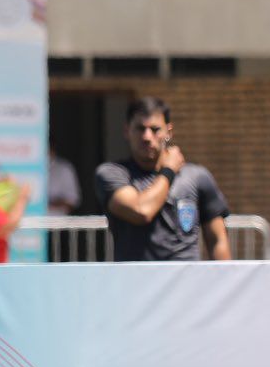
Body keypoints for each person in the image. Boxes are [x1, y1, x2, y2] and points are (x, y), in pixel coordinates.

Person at [96, 97, 232, 263]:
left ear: (169, 131)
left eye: (155, 129)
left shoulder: (197, 176)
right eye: (140, 128)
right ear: (126, 131)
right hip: (135, 283)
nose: (147, 137)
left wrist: (224, 283)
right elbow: (141, 211)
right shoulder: (112, 174)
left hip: (186, 284)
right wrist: (168, 171)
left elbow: (218, 240)